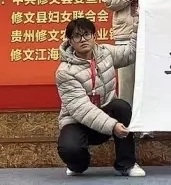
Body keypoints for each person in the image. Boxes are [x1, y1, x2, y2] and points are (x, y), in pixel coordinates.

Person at [55, 18, 146, 177]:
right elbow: (82, 109)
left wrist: (139, 22)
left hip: (106, 113)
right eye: (76, 36)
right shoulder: (64, 72)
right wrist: (113, 125)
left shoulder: (105, 53)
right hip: (78, 122)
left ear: (94, 36)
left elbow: (131, 52)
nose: (83, 39)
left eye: (87, 34)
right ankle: (77, 165)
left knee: (121, 107)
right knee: (70, 149)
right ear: (70, 41)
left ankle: (127, 164)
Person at [100, 0, 167, 108]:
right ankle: (126, 118)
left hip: (149, 35)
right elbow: (107, 0)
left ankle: (148, 119)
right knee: (126, 81)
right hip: (125, 34)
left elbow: (165, 3)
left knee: (149, 78)